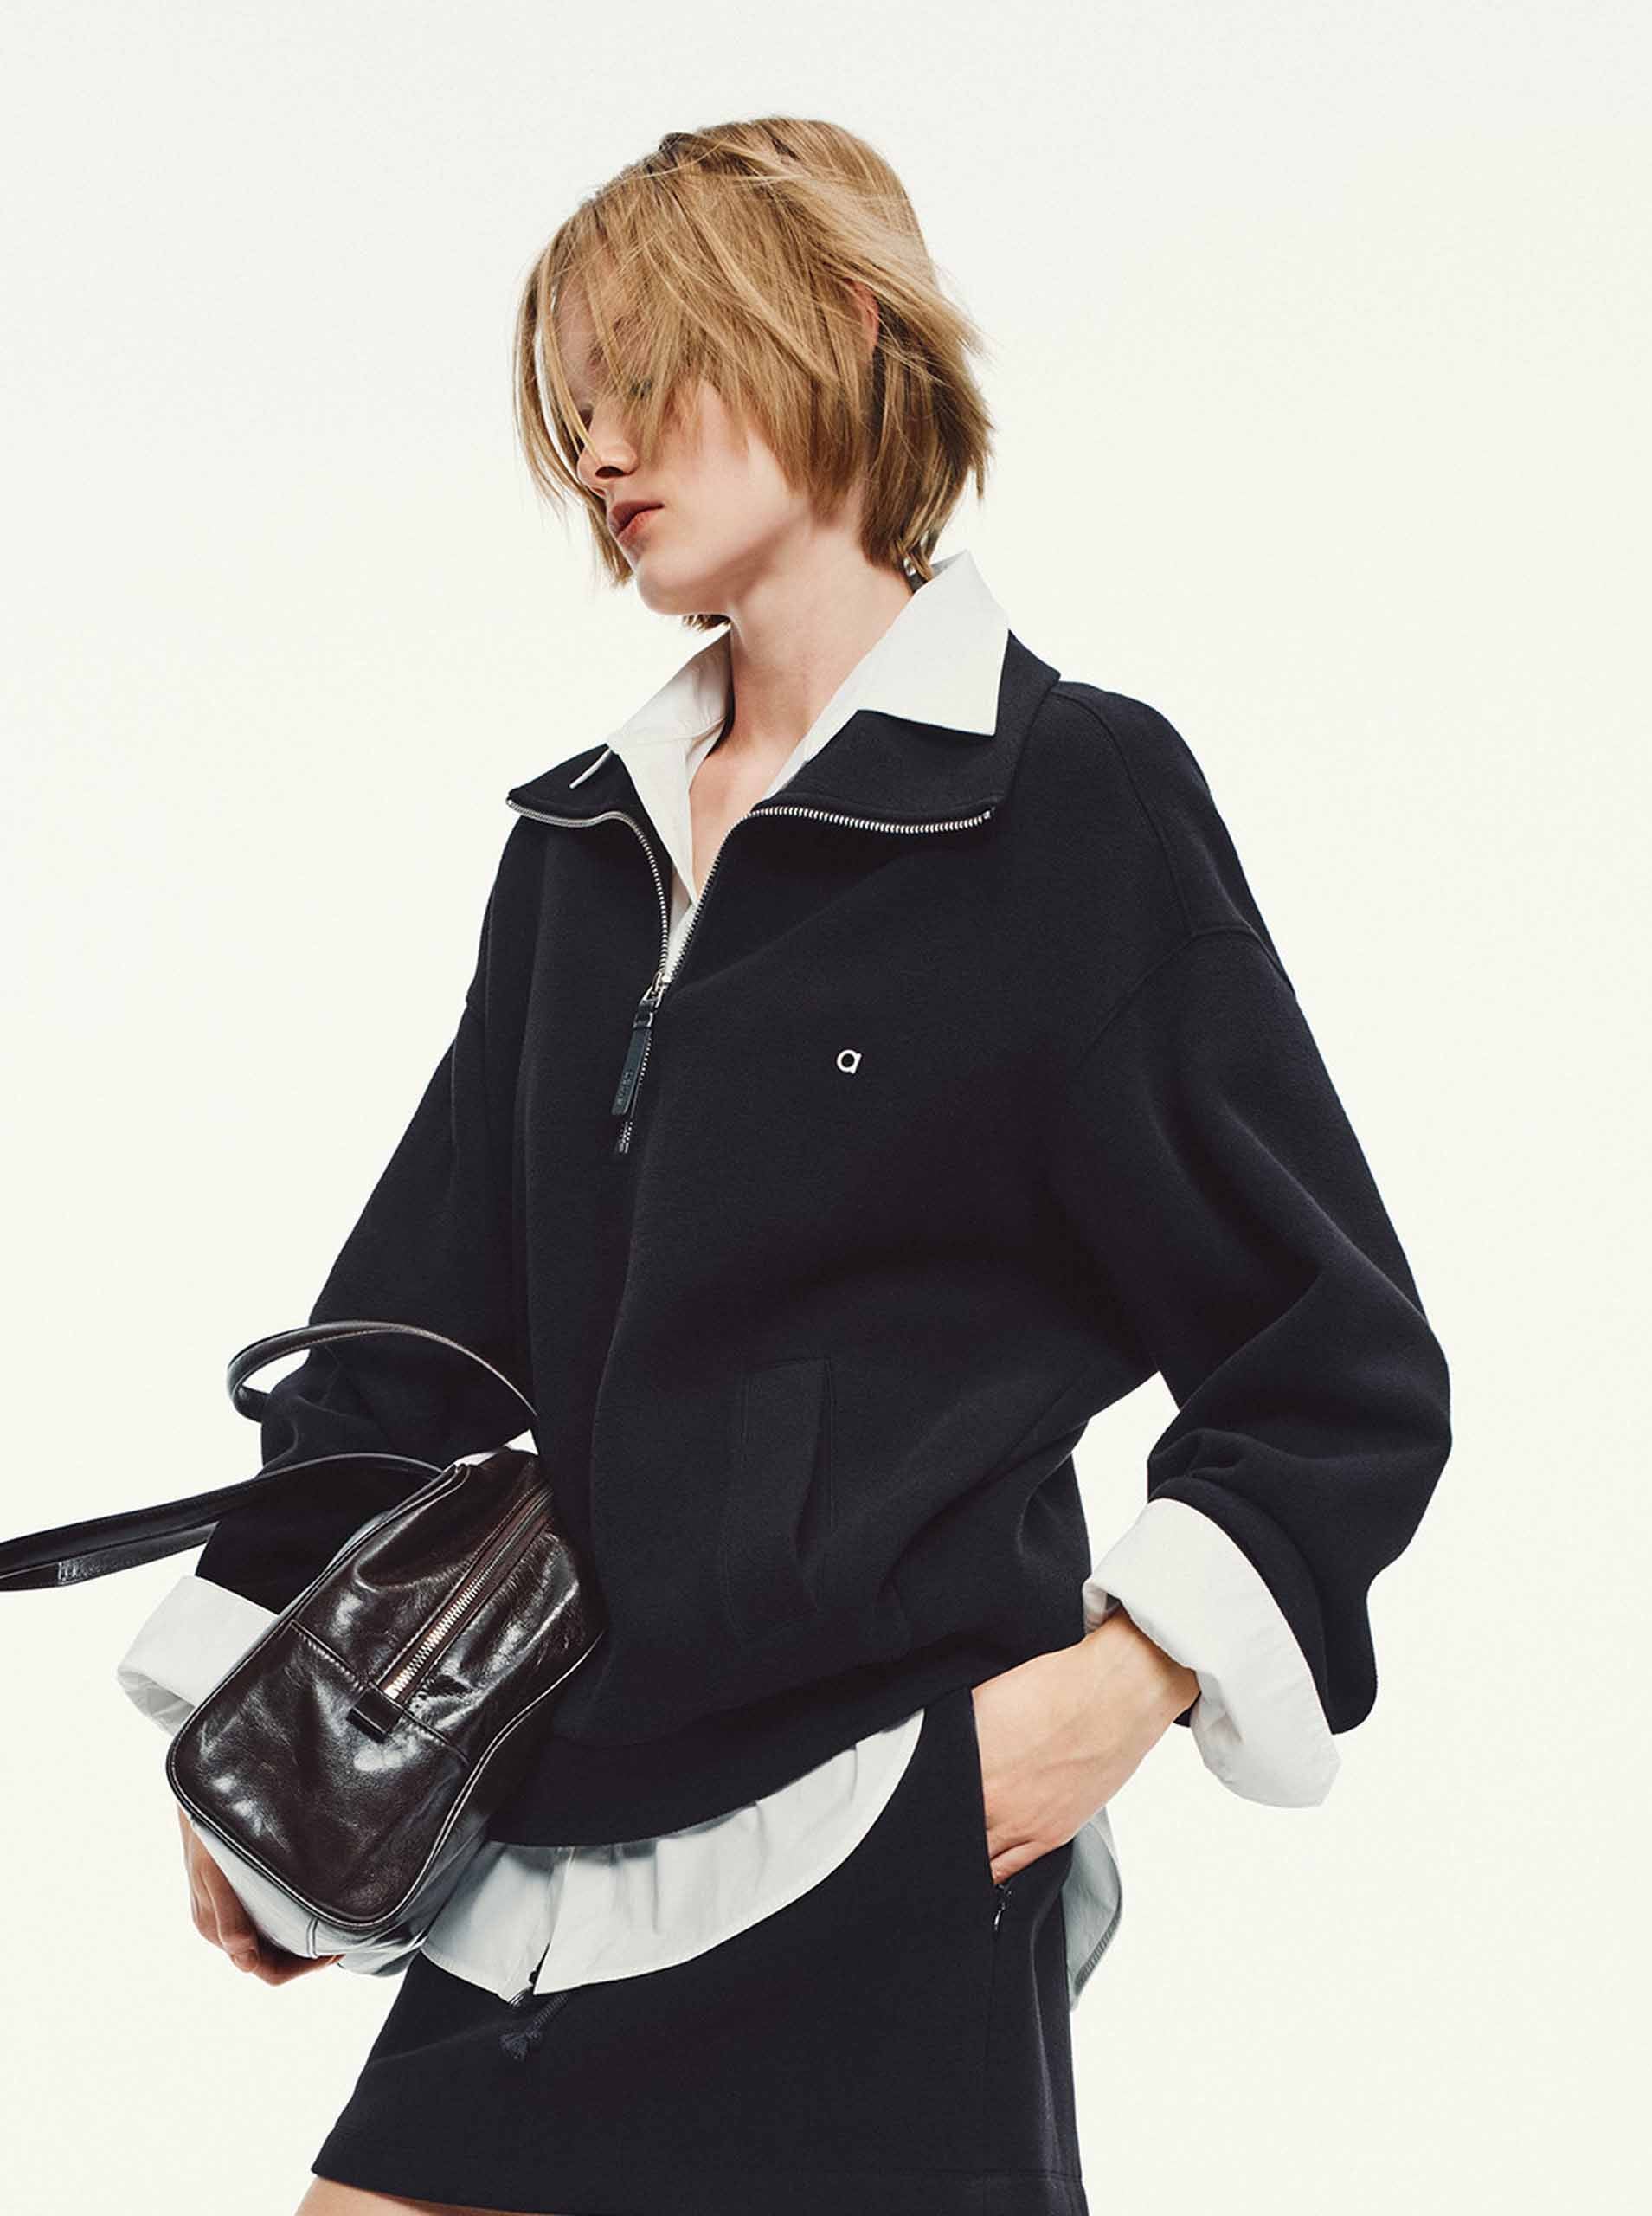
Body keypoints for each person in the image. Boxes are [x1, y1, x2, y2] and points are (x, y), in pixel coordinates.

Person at [114, 116, 1452, 2216]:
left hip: (888, 1818)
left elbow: (1335, 1353)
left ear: (838, 325)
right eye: (572, 402)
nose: (597, 448)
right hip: (545, 1832)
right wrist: (250, 1710)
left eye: (646, 375)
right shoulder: (581, 848)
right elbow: (419, 1322)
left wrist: (1121, 1686)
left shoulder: (1066, 802)